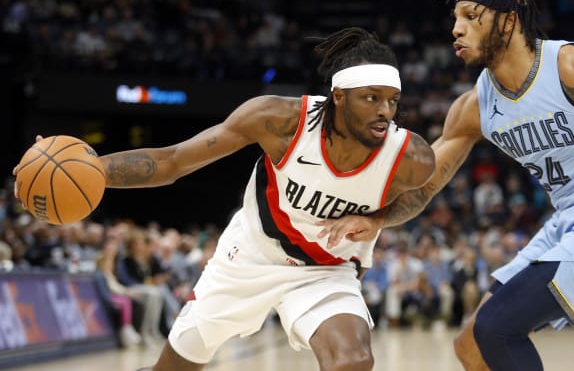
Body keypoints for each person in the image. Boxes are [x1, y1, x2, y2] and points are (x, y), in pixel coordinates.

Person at [317, 0, 574, 371]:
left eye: (470, 16)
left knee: (497, 329)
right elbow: (426, 186)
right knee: (472, 344)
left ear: (509, 21)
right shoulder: (474, 107)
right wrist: (376, 218)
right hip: (569, 221)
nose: (456, 28)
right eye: (455, 18)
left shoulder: (572, 67)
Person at [14, 28, 435, 371]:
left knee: (353, 360)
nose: (385, 111)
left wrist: (380, 220)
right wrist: (94, 171)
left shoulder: (409, 157)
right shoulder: (279, 120)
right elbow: (174, 161)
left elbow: (419, 197)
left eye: (392, 101)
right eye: (372, 98)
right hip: (249, 256)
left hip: (326, 270)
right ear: (339, 97)